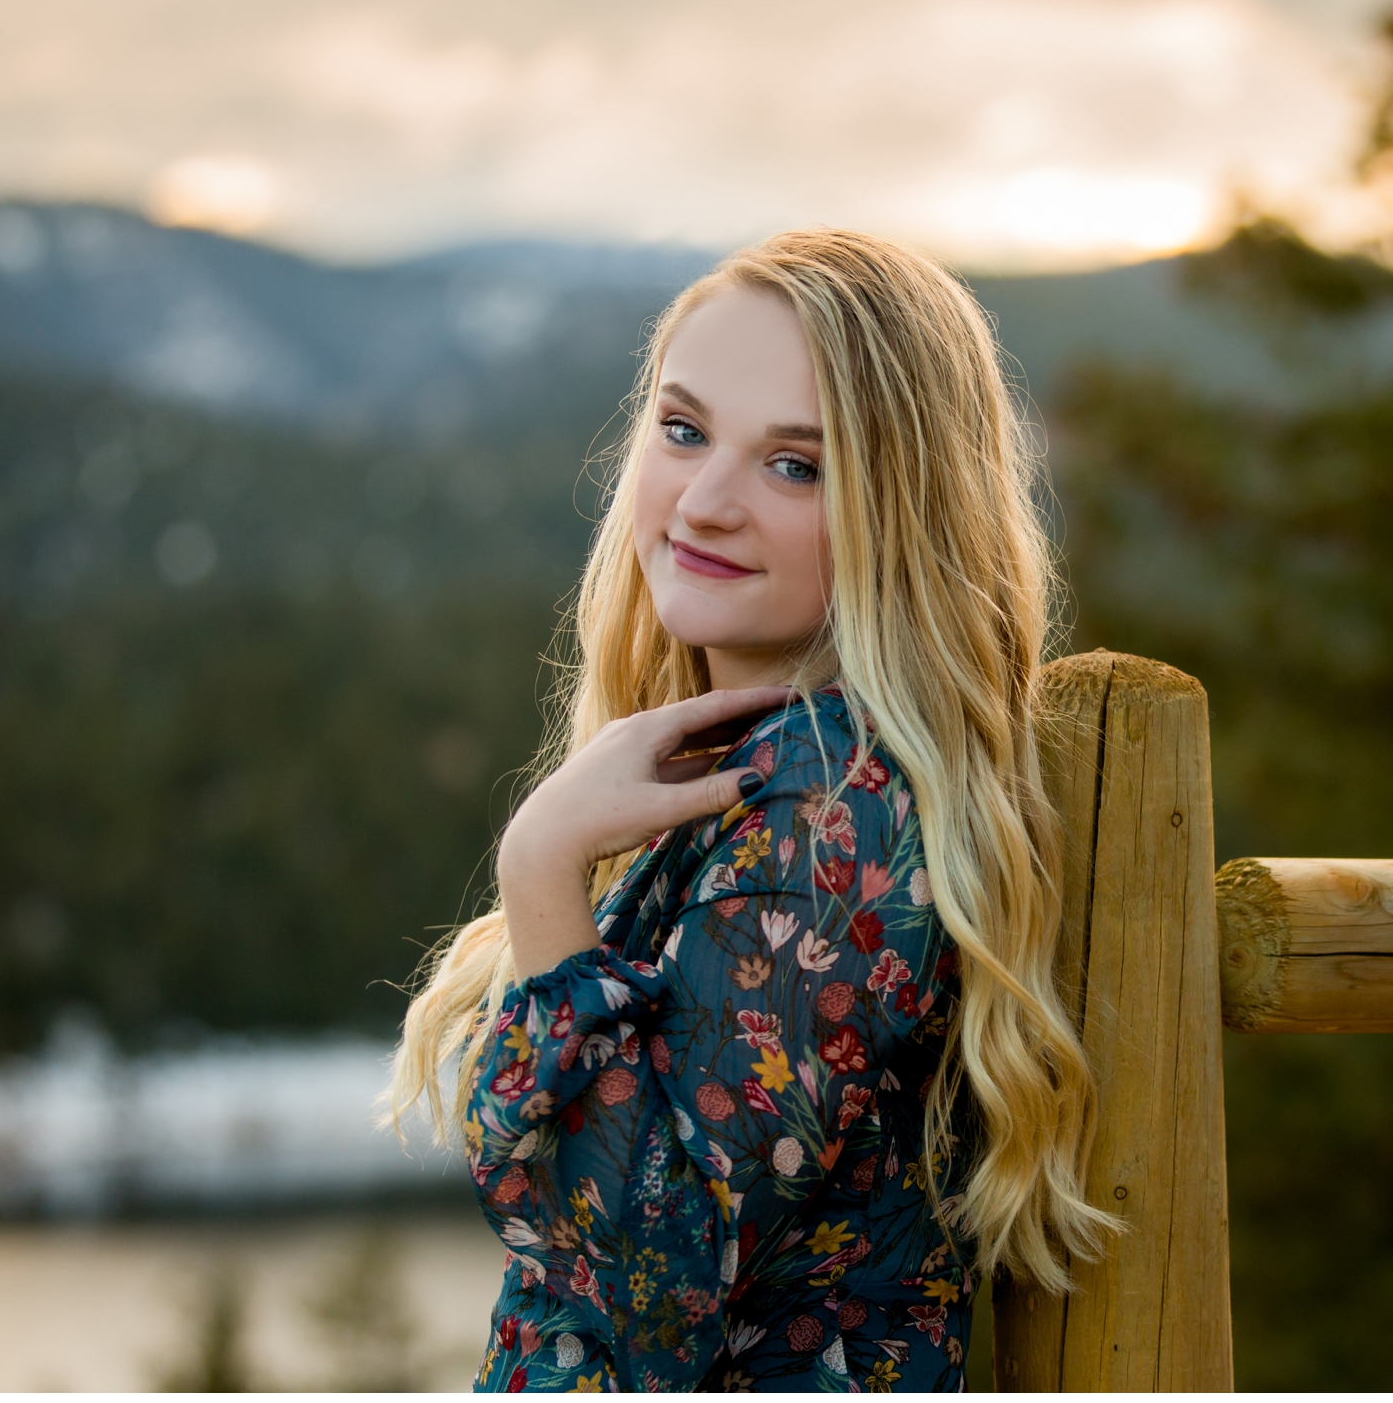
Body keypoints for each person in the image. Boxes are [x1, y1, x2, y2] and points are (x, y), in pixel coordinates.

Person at [389, 229, 1116, 1391]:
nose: (707, 501)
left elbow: (651, 1279)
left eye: (796, 465)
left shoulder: (832, 811)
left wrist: (540, 863)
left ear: (900, 507)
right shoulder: (759, 770)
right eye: (683, 431)